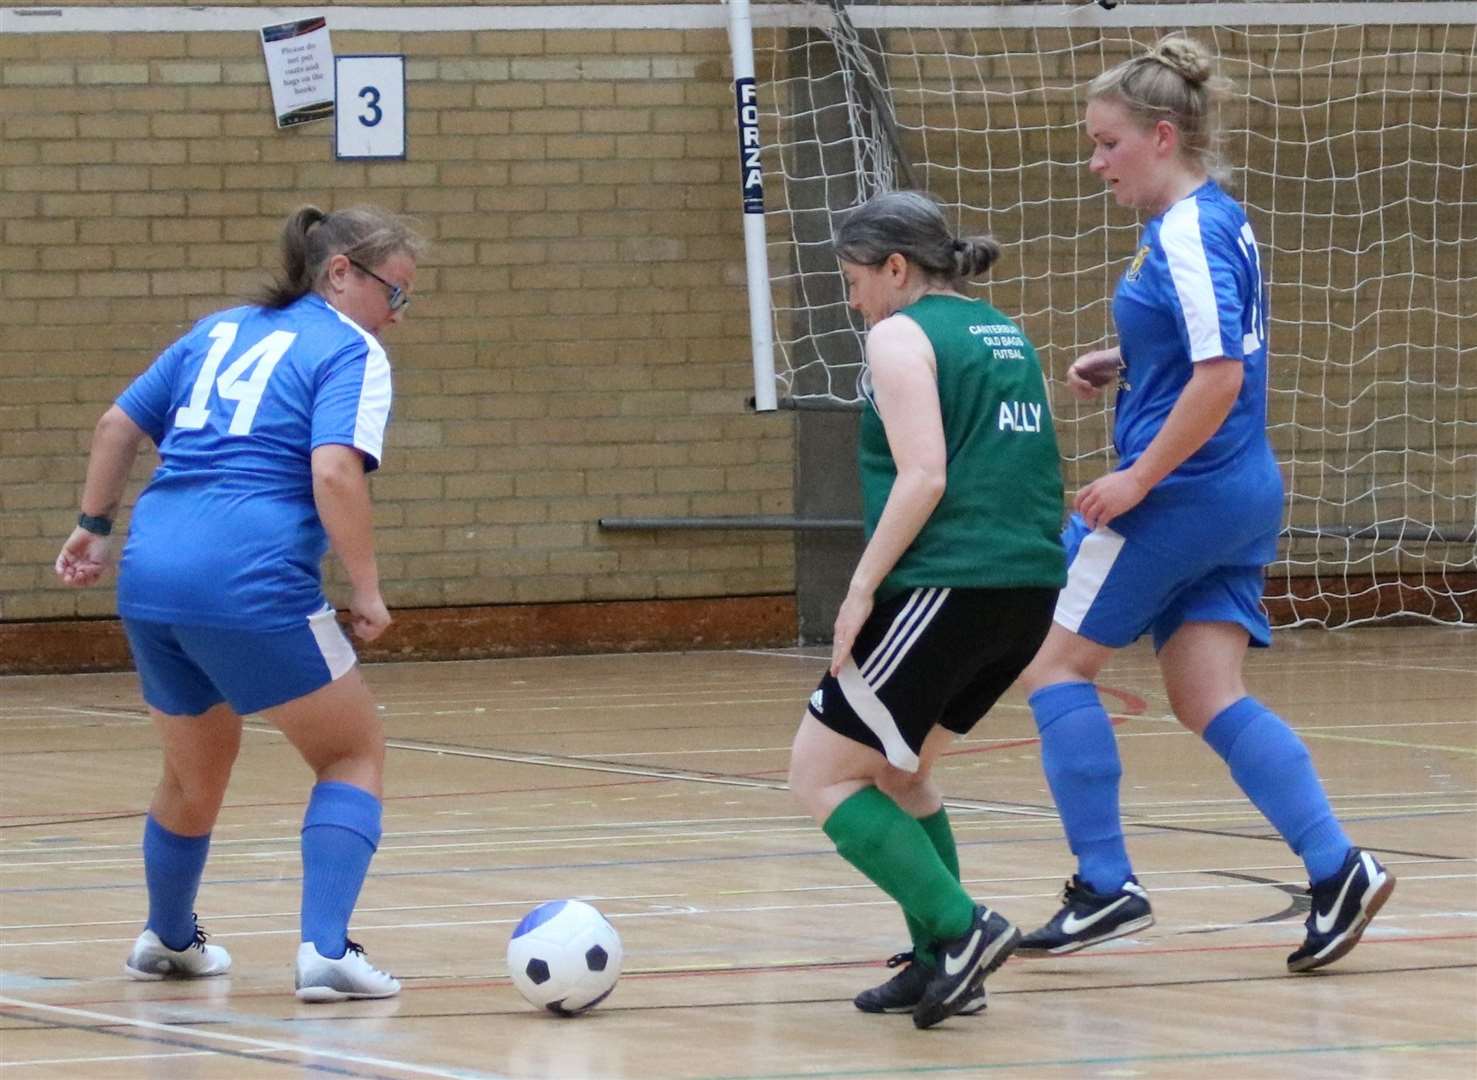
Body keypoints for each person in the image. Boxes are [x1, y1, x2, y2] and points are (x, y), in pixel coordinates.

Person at [1014, 35, 1394, 972]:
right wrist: (1131, 362)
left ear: (1159, 134)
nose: (1093, 162)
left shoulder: (1184, 232)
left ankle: (1105, 885)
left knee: (1053, 667)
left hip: (1175, 494)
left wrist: (1136, 479)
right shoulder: (1214, 221)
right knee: (1204, 692)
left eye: (1105, 144)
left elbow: (1221, 372)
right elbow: (1207, 351)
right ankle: (1336, 867)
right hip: (1236, 492)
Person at [54, 205, 426, 1002]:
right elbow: (334, 473)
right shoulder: (348, 349)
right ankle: (326, 950)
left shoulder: (220, 329)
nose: (396, 316)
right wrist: (365, 588)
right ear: (339, 274)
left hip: (152, 578)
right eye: (394, 294)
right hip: (248, 579)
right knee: (351, 752)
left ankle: (168, 939)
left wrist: (92, 525)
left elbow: (117, 423)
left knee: (195, 771)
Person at [787, 191, 1067, 1029]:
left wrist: (861, 588)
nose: (852, 299)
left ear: (896, 268)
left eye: (853, 279)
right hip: (1026, 587)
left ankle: (961, 928)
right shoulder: (1000, 330)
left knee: (820, 772)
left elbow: (924, 476)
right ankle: (938, 959)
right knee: (899, 771)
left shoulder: (898, 336)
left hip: (948, 582)